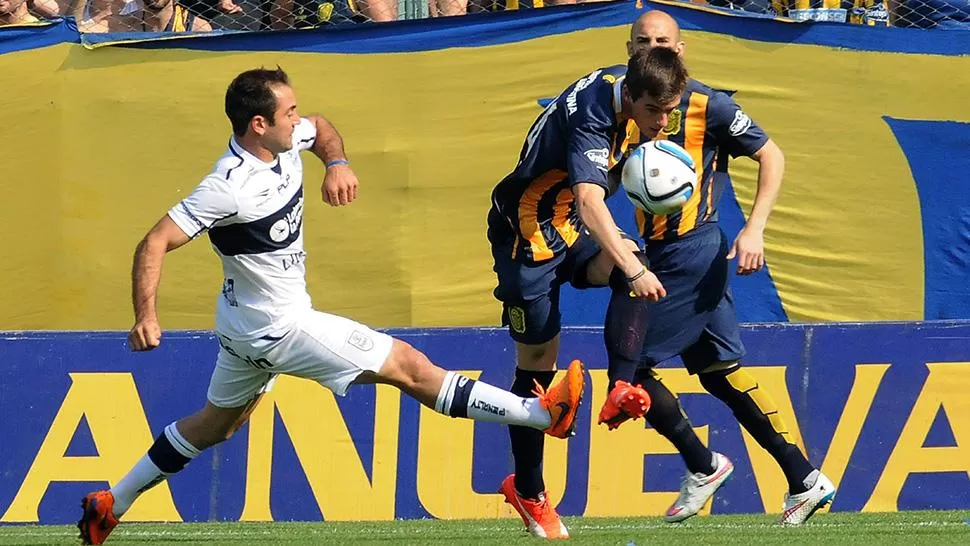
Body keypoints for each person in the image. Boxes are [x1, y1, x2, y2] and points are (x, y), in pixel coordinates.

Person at [76, 67, 585, 546]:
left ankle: (111, 503)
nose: (299, 119)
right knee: (408, 367)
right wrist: (146, 316)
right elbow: (155, 241)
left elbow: (321, 129)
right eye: (288, 112)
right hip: (280, 328)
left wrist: (336, 162)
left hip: (241, 327)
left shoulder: (288, 138)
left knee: (214, 424)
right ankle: (539, 413)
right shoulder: (228, 187)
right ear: (259, 125)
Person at [611, 10, 835, 525]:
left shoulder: (709, 105)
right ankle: (804, 478)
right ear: (628, 47)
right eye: (642, 41)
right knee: (720, 375)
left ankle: (702, 464)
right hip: (659, 250)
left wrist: (754, 228)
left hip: (690, 252)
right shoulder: (621, 100)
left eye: (662, 41)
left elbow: (771, 155)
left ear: (681, 48)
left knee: (632, 368)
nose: (651, 48)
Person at [488, 48, 689, 539]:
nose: (662, 123)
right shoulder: (594, 119)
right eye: (653, 112)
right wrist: (629, 265)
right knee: (537, 366)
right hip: (528, 236)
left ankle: (622, 385)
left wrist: (628, 261)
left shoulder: (630, 86)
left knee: (631, 264)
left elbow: (587, 202)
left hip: (569, 226)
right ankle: (529, 489)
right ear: (630, 95)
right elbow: (588, 197)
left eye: (670, 111)